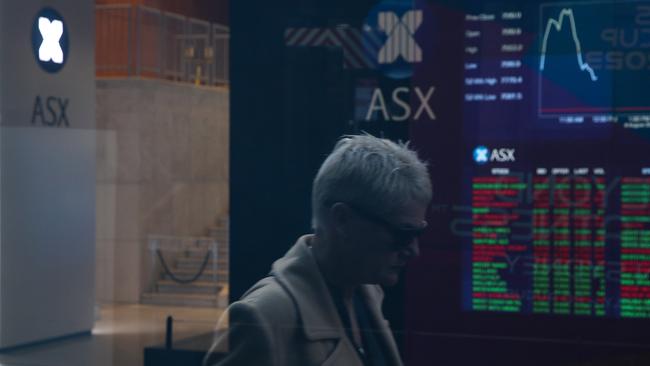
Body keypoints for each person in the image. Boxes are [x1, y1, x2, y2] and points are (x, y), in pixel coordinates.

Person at [204, 134, 432, 366]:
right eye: (403, 234)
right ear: (342, 220)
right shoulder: (264, 317)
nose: (414, 250)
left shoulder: (368, 293)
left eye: (418, 233)